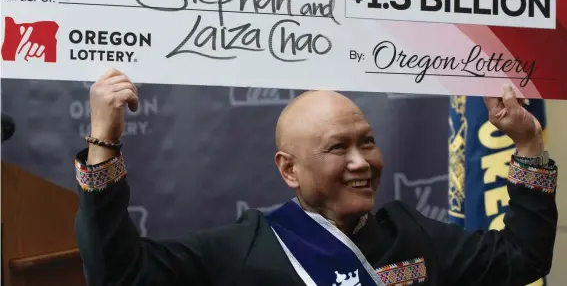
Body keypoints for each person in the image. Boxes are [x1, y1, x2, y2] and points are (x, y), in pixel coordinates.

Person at [74, 69, 558, 286]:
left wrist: (528, 145)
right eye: (337, 148)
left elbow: (523, 257)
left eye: (366, 142)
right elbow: (120, 275)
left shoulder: (412, 233)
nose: (360, 162)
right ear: (289, 168)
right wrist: (103, 142)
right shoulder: (241, 250)